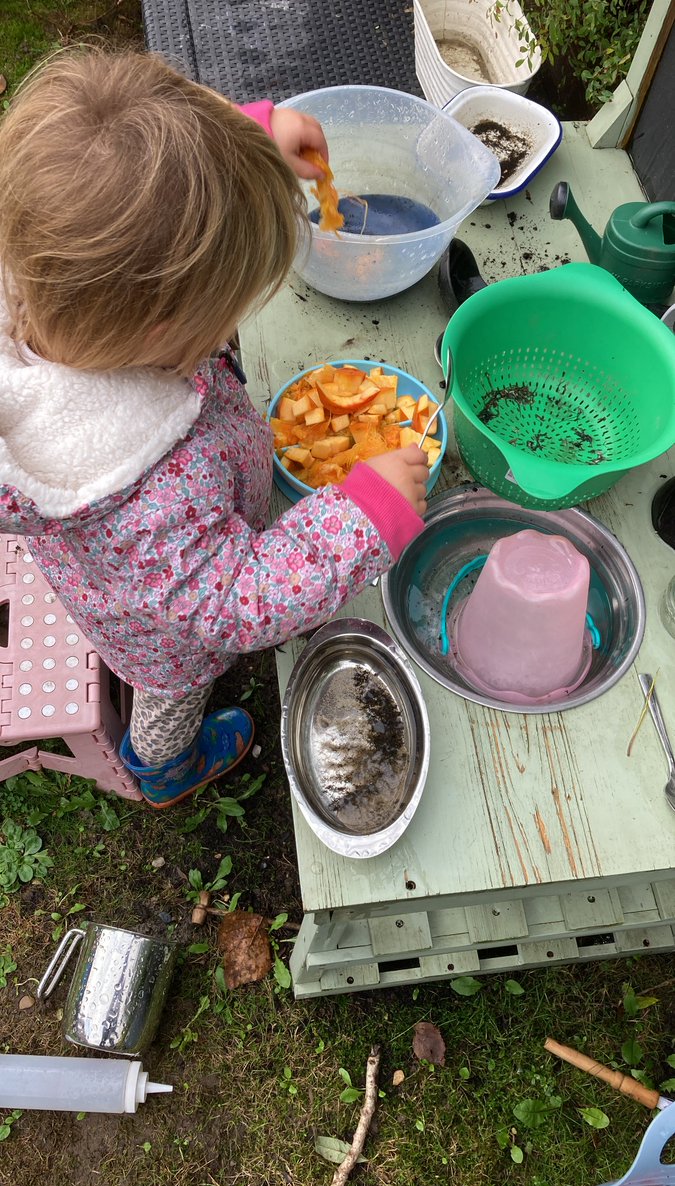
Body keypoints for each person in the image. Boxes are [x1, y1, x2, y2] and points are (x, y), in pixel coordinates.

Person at [0, 48, 430, 809]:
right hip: (159, 631)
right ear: (165, 331)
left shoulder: (33, 259)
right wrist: (361, 520)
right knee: (171, 694)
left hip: (111, 567)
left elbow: (123, 191)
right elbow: (241, 598)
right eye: (223, 311)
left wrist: (247, 145)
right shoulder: (140, 489)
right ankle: (164, 767)